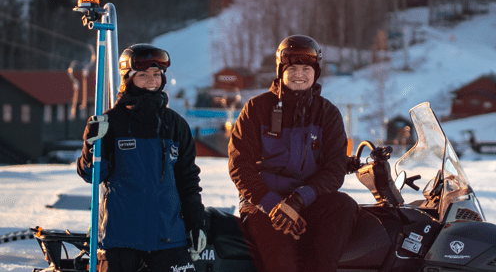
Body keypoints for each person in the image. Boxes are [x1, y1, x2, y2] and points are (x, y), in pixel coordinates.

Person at [228, 35, 358, 272]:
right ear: (280, 71)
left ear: (315, 72)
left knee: (344, 205)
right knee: (282, 260)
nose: (300, 74)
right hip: (263, 204)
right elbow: (240, 165)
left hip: (307, 200)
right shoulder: (256, 109)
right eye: (293, 68)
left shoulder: (327, 114)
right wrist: (274, 205)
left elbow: (335, 169)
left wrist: (298, 201)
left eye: (306, 68)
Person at [77, 44, 206, 272]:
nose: (151, 80)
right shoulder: (110, 122)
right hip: (122, 237)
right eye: (143, 75)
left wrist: (196, 224)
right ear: (128, 78)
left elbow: (188, 179)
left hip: (168, 235)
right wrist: (91, 145)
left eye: (157, 75)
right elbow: (92, 175)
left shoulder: (175, 125)